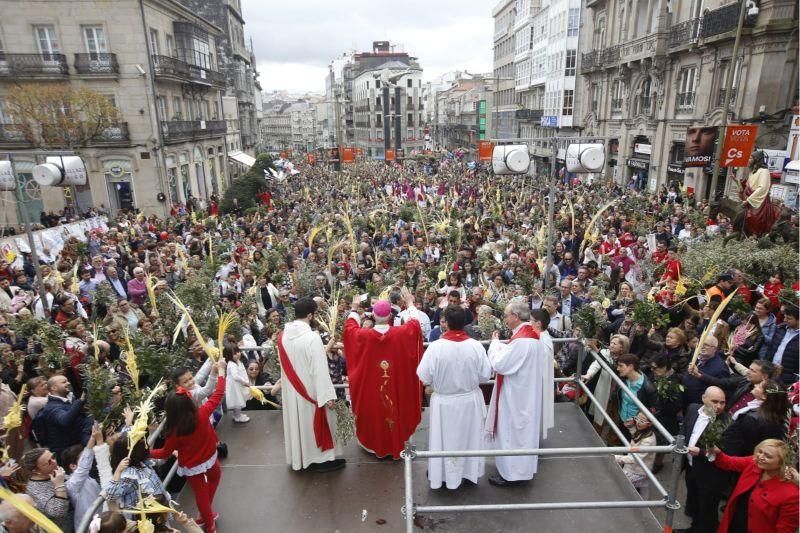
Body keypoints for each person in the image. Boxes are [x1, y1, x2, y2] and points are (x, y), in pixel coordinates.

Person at [343, 288, 425, 460]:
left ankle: (376, 444)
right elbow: (415, 324)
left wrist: (354, 308)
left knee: (375, 409)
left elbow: (350, 328)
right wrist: (409, 303)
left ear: (373, 315)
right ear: (390, 316)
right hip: (396, 386)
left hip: (372, 388)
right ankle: (397, 442)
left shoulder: (363, 335)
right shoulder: (401, 333)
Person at [416, 306, 491, 489]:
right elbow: (485, 375)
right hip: (469, 400)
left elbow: (423, 376)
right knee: (469, 438)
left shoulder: (436, 347)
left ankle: (442, 474)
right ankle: (468, 473)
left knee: (444, 440)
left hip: (445, 402)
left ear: (446, 324)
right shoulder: (476, 346)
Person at [150, 358, 226, 532]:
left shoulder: (174, 430)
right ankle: (208, 522)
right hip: (210, 456)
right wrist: (221, 371)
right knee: (215, 478)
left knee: (202, 494)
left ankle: (207, 519)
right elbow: (219, 393)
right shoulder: (202, 413)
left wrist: (146, 452)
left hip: (192, 466)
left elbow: (164, 453)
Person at [484, 299, 551, 486]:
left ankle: (511, 474)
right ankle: (522, 470)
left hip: (515, 397)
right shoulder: (532, 337)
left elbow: (500, 364)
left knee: (512, 433)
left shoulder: (523, 340)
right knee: (523, 433)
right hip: (525, 393)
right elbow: (515, 355)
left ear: (515, 316)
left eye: (506, 316)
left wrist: (495, 343)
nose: (505, 319)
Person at [276, 297, 343, 472]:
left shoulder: (282, 336)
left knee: (299, 425)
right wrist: (328, 396)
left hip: (293, 389)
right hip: (312, 390)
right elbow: (319, 370)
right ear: (310, 315)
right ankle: (321, 460)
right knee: (316, 423)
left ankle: (301, 458)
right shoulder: (312, 338)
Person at [709, 439, 799, 533]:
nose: (760, 457)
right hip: (734, 525)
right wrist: (718, 453)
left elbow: (785, 529)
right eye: (760, 452)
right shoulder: (753, 463)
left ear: (781, 463)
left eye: (768, 456)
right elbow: (729, 462)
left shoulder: (792, 494)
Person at [679, 386, 731, 533]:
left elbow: (725, 451)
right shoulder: (692, 408)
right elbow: (685, 427)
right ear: (703, 398)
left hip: (711, 475)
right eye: (715, 401)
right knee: (695, 502)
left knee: (707, 509)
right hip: (691, 468)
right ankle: (694, 528)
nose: (719, 406)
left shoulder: (727, 422)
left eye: (722, 402)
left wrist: (701, 452)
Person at [722, 379, 791, 456]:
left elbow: (742, 444)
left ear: (764, 396)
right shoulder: (776, 414)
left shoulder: (752, 418)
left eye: (759, 386)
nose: (755, 385)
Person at [35, 375, 94, 460]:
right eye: (64, 382)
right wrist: (80, 401)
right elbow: (64, 420)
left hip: (78, 446)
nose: (68, 383)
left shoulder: (69, 398)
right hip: (69, 454)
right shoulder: (51, 408)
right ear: (54, 388)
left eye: (67, 381)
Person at [20, 448, 73, 532]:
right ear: (36, 471)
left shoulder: (53, 471)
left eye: (53, 457)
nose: (54, 461)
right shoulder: (34, 490)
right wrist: (59, 485)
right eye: (49, 462)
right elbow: (58, 511)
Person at [613, 412, 657, 497]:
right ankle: (645, 504)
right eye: (637, 419)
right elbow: (636, 436)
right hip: (641, 468)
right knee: (644, 486)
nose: (639, 422)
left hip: (637, 471)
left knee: (619, 482)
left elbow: (635, 459)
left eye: (642, 420)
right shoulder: (643, 431)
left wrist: (616, 458)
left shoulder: (648, 440)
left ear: (650, 423)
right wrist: (630, 426)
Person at [223, 345, 250, 424]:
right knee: (237, 400)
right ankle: (238, 416)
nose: (238, 354)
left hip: (235, 386)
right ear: (229, 355)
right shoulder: (232, 365)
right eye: (235, 353)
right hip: (235, 387)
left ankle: (236, 414)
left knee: (237, 400)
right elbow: (235, 377)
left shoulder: (236, 362)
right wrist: (245, 382)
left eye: (238, 352)